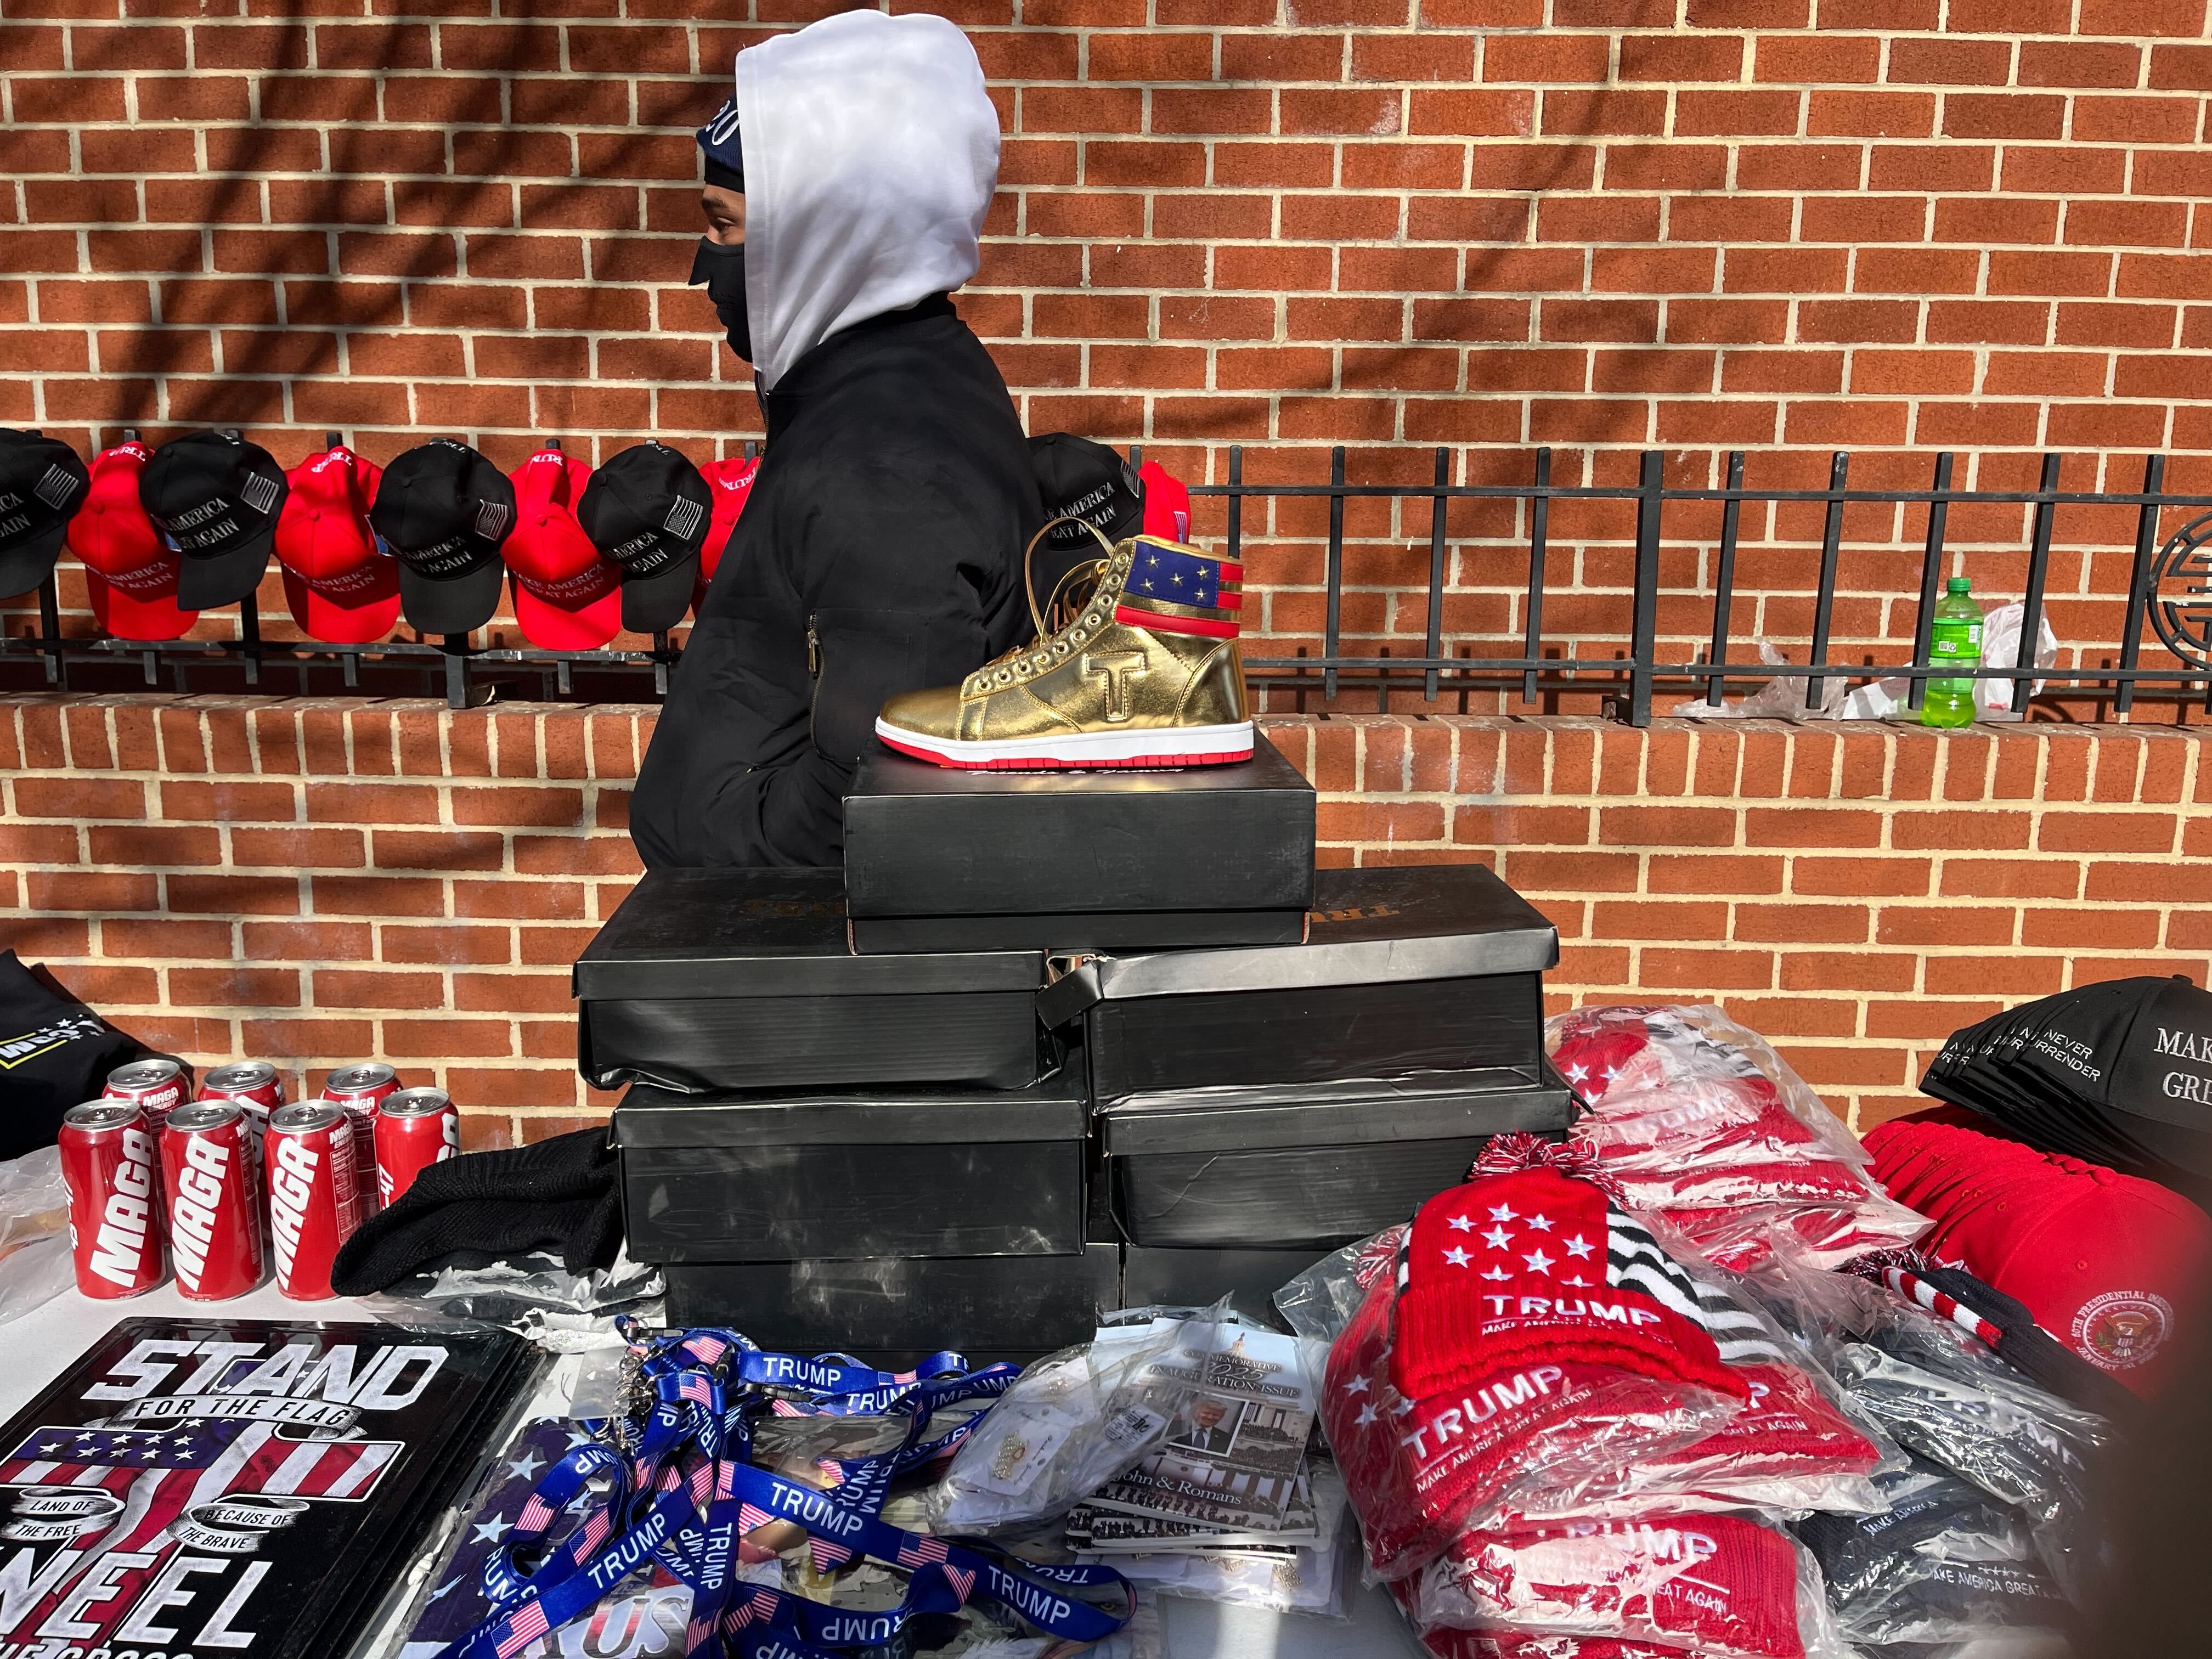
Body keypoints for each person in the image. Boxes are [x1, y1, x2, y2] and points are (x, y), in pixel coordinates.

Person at [629, 9, 1041, 868]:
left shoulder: (890, 469)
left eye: (723, 224)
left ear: (818, 236)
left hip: (775, 936)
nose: (702, 267)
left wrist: (719, 849)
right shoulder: (886, 389)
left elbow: (874, 802)